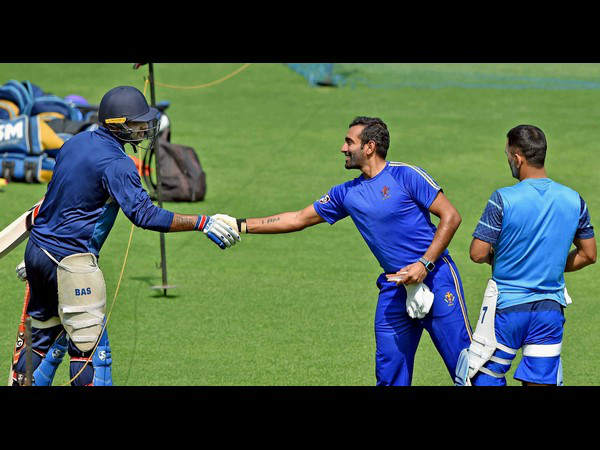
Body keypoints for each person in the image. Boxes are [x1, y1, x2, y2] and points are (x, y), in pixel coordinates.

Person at [212, 116, 473, 386]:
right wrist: (240, 225)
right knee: (389, 377)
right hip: (394, 286)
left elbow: (451, 216)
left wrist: (424, 264)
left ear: (370, 147)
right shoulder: (346, 194)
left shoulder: (405, 175)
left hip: (436, 276)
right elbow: (298, 218)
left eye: (349, 142)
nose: (343, 148)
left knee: (466, 367)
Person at [10, 85, 240, 386]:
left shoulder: (75, 144)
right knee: (91, 352)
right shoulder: (118, 164)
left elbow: (55, 199)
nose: (144, 129)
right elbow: (145, 215)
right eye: (137, 123)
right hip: (71, 264)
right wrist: (203, 222)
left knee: (42, 338)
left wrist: (39, 260)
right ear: (117, 124)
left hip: (38, 251)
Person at [457, 124, 596, 386]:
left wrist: (505, 260)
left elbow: (477, 253)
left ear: (517, 157)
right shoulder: (574, 200)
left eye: (508, 155)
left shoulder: (503, 199)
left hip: (507, 310)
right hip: (549, 311)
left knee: (482, 375)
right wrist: (550, 265)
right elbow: (589, 254)